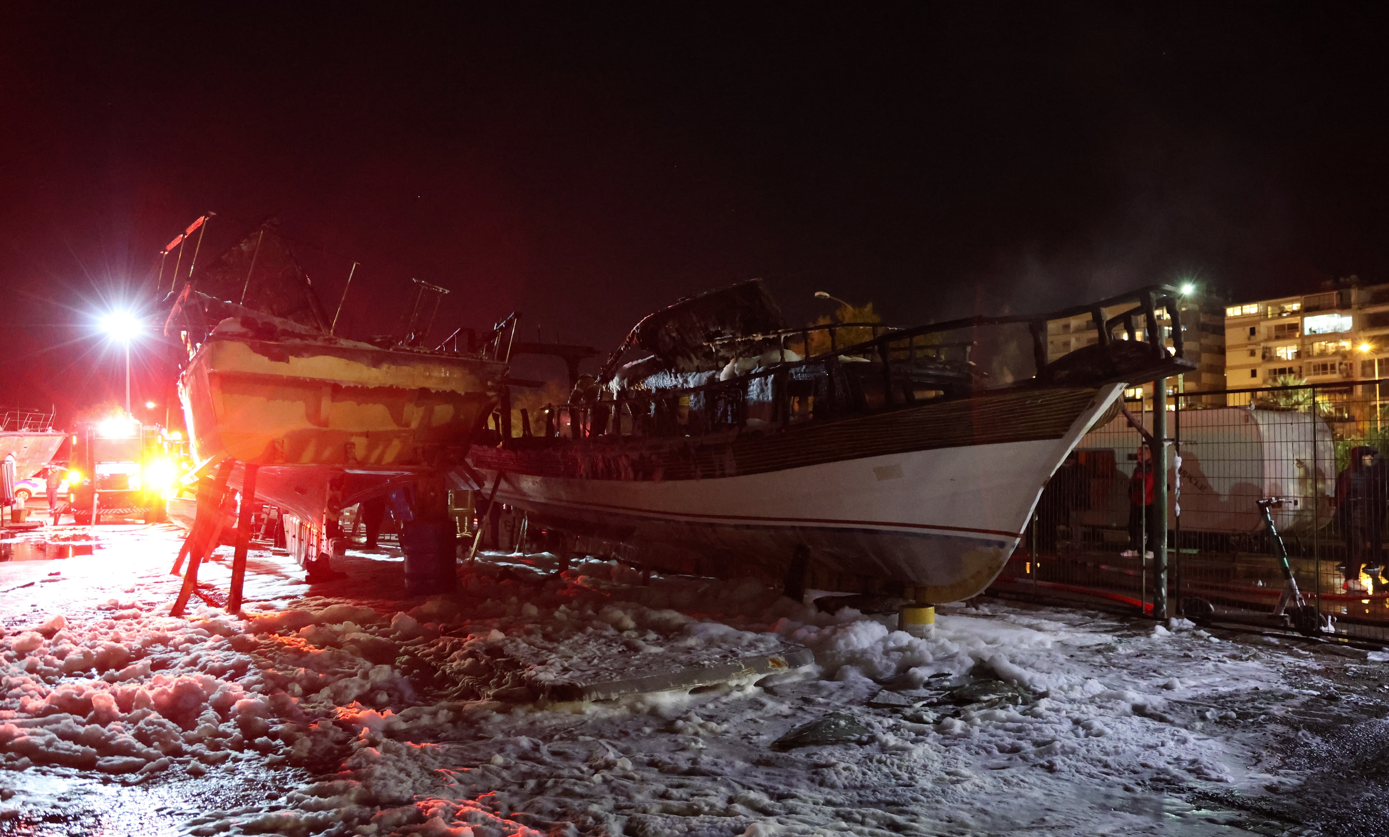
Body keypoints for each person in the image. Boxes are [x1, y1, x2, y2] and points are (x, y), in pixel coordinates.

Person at [1335, 445, 1387, 593]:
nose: (1371, 458)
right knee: (1356, 548)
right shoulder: (1348, 475)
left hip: (1363, 518)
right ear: (1359, 458)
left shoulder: (1366, 475)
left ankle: (1352, 580)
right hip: (1352, 518)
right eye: (1367, 455)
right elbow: (1341, 498)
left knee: (1359, 549)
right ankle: (1351, 580)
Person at [1123, 444, 1157, 558]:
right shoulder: (1139, 467)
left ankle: (1150, 549)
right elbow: (1134, 482)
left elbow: (1149, 484)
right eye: (1139, 454)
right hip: (1138, 500)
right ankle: (1134, 548)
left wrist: (1141, 494)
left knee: (1150, 526)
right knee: (1133, 525)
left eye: (1142, 454)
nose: (1140, 456)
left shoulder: (1151, 467)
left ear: (1149, 453)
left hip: (1148, 501)